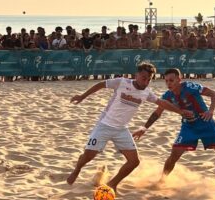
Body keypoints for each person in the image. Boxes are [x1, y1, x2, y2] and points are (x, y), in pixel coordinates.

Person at [67, 63, 193, 192]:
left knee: (134, 162)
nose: (146, 81)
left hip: (121, 129)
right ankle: (77, 169)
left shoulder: (146, 93)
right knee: (88, 157)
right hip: (104, 125)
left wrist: (181, 112)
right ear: (136, 75)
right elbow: (101, 84)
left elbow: (162, 103)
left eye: (149, 79)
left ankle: (112, 184)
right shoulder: (121, 82)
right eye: (143, 78)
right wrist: (82, 96)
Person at [132, 68, 215, 191]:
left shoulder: (190, 87)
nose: (169, 84)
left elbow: (214, 94)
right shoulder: (168, 95)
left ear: (179, 80)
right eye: (166, 81)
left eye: (171, 80)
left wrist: (210, 111)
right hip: (188, 127)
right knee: (174, 155)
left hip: (207, 125)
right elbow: (157, 113)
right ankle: (162, 181)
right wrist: (144, 128)